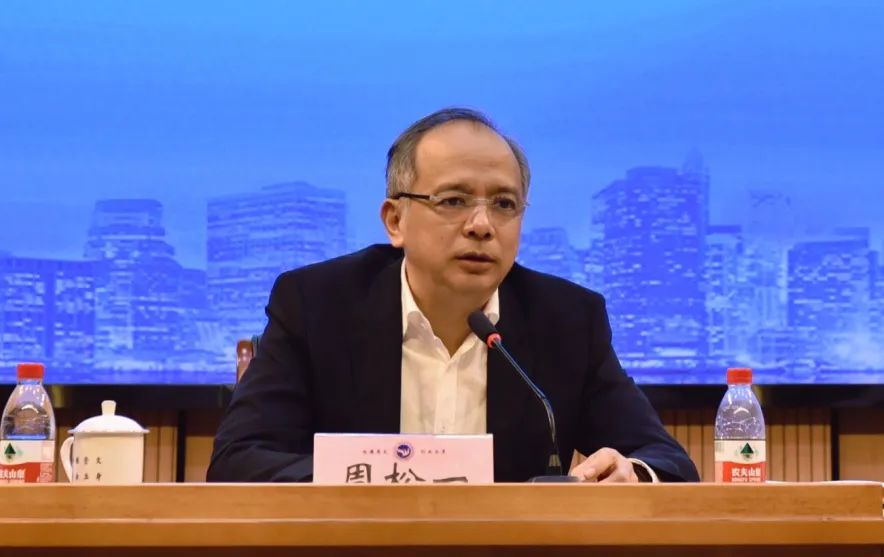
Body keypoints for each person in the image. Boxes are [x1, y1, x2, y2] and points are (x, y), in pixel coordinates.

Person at [207, 108, 700, 483]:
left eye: (504, 203)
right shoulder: (317, 305)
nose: (482, 225)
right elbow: (238, 460)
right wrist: (382, 486)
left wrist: (632, 475)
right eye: (454, 200)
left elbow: (666, 461)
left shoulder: (567, 320)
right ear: (395, 221)